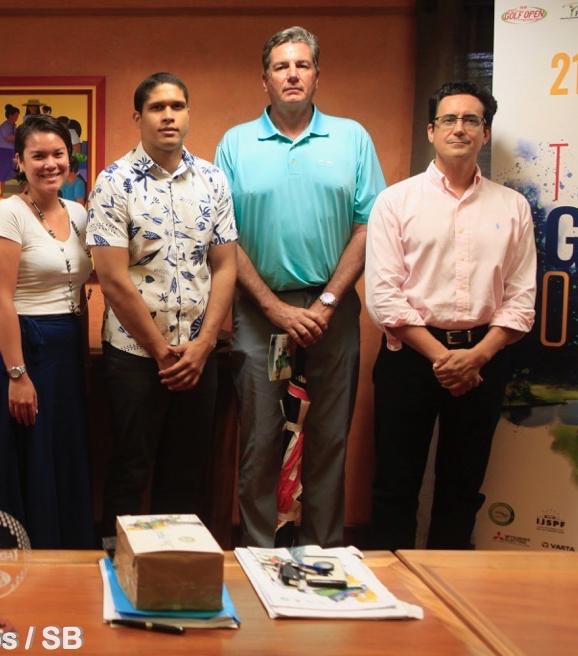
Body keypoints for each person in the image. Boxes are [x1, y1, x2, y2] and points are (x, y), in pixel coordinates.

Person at [215, 26, 385, 548]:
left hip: (332, 313)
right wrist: (274, 308)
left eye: (302, 65)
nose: (292, 74)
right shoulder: (236, 143)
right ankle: (260, 554)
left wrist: (329, 300)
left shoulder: (351, 137)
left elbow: (367, 225)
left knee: (329, 438)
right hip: (261, 314)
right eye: (281, 66)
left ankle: (326, 551)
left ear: (317, 75)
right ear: (264, 79)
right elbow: (224, 235)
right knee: (261, 438)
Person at [365, 82, 536, 551]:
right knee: (395, 487)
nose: (459, 128)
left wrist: (475, 357)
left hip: (484, 361)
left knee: (462, 489)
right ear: (430, 130)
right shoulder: (396, 202)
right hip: (410, 360)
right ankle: (390, 593)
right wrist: (445, 358)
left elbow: (521, 299)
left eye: (471, 120)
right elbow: (384, 298)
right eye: (449, 119)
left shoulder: (512, 207)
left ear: (485, 133)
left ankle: (453, 595)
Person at [88, 73, 238, 538]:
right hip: (135, 358)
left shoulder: (213, 179)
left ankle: (172, 573)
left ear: (188, 113)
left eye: (177, 105)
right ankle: (119, 573)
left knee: (185, 472)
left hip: (198, 357)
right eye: (157, 107)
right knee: (131, 469)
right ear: (138, 117)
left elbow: (226, 267)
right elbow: (112, 279)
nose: (168, 115)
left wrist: (204, 345)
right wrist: (161, 353)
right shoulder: (114, 183)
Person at [0, 115, 94, 549]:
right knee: (23, 460)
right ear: (20, 162)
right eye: (37, 156)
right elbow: (0, 299)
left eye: (57, 154)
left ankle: (64, 558)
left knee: (59, 458)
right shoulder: (9, 211)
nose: (49, 164)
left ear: (70, 159)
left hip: (66, 352)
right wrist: (18, 375)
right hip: (21, 348)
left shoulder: (78, 213)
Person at [0, 104, 21, 197]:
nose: (17, 117)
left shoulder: (14, 125)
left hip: (11, 150)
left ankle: (11, 190)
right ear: (10, 115)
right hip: (3, 151)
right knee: (4, 171)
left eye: (18, 115)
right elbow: (8, 137)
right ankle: (3, 191)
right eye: (16, 115)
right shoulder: (5, 125)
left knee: (12, 169)